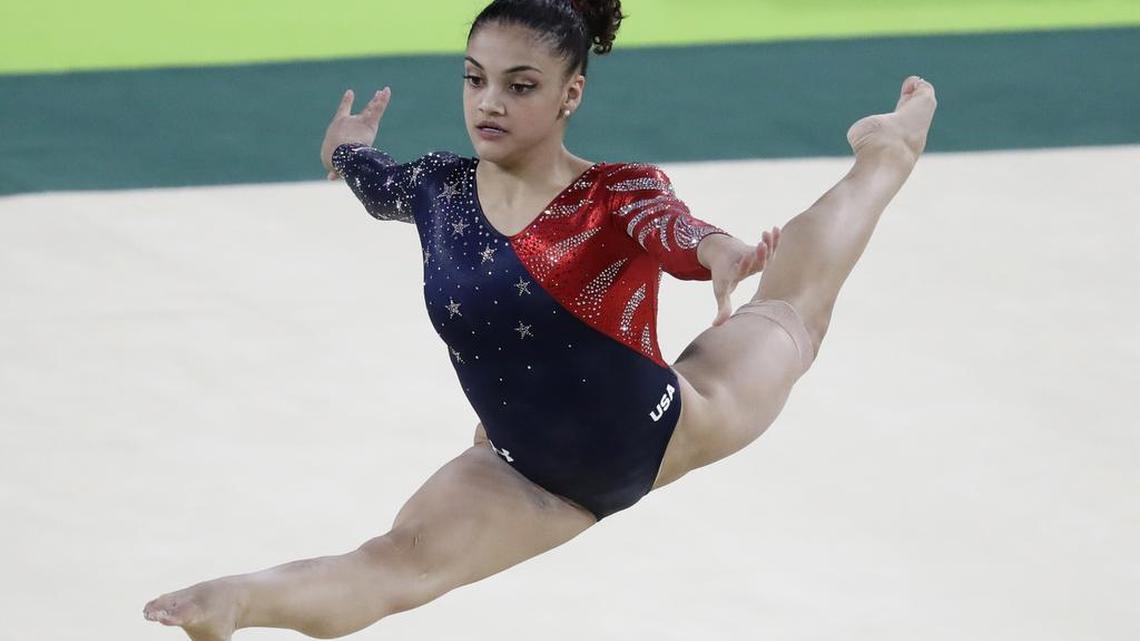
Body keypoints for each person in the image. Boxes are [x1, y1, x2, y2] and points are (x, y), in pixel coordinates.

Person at [142, 0, 937, 638]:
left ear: (570, 94)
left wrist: (720, 250)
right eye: (474, 78)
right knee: (395, 563)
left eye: (519, 85)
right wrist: (347, 153)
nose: (488, 102)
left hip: (667, 427)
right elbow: (378, 184)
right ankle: (238, 600)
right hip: (523, 473)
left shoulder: (612, 193)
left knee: (792, 312)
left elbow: (669, 228)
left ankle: (886, 154)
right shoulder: (439, 190)